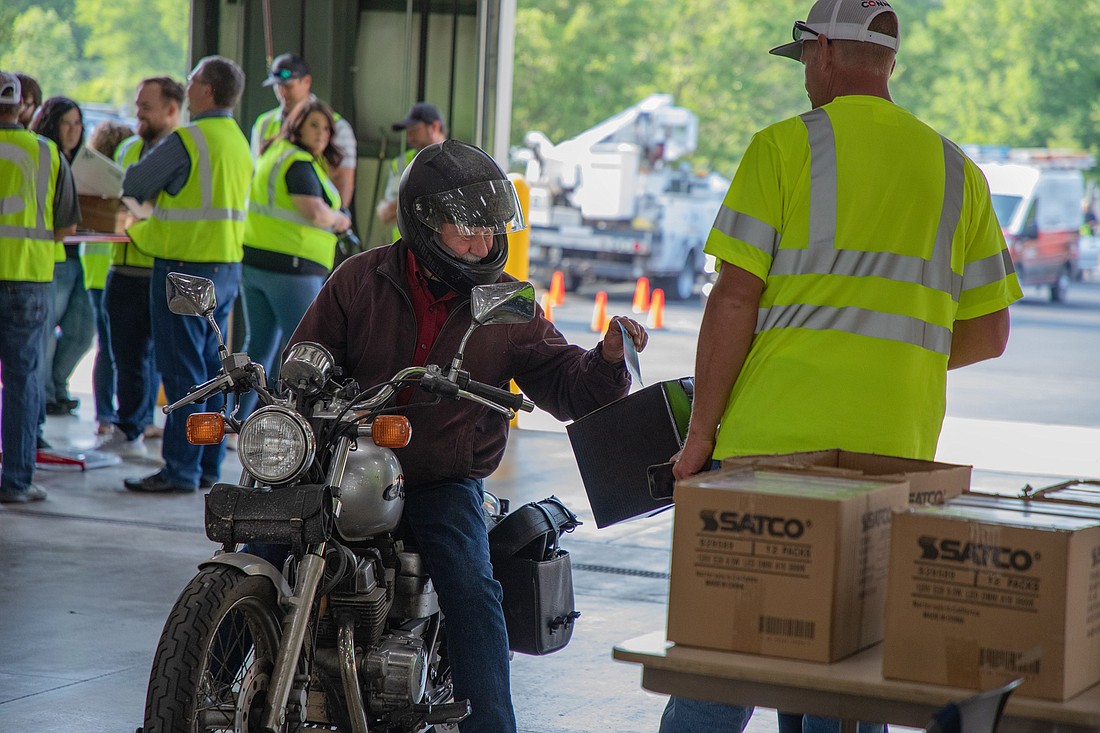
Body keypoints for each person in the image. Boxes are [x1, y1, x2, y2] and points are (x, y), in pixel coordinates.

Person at [659, 1, 1022, 732]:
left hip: (771, 452)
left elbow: (734, 301)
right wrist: (894, 359)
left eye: (802, 64)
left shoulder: (782, 149)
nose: (803, 80)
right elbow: (989, 333)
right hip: (895, 459)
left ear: (824, 50)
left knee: (726, 661)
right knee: (846, 682)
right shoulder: (959, 171)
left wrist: (699, 437)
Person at [285, 139, 648, 732]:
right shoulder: (359, 279)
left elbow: (566, 384)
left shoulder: (508, 302)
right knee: (265, 550)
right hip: (347, 467)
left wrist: (607, 359)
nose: (484, 245)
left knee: (475, 593)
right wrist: (302, 385)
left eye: (490, 230)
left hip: (439, 478)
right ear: (424, 224)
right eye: (468, 232)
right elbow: (304, 359)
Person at [120, 56, 252, 493]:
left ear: (207, 90)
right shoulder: (238, 139)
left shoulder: (191, 139)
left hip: (184, 267)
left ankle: (179, 469)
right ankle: (207, 467)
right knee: (213, 374)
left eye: (193, 80)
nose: (187, 86)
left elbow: (137, 182)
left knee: (182, 374)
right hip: (226, 266)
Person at [237, 98, 351, 419]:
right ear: (297, 124)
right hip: (292, 269)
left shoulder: (273, 153)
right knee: (308, 351)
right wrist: (340, 220)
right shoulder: (299, 163)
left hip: (257, 264)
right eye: (314, 124)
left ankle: (243, 421)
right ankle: (304, 428)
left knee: (258, 347)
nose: (321, 133)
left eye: (327, 128)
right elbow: (313, 212)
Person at [0, 72, 81, 503]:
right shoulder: (47, 153)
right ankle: (15, 481)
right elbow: (66, 225)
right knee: (23, 379)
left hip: (25, 282)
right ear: (20, 108)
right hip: (27, 282)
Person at [96, 76, 183, 458]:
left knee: (166, 360)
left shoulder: (180, 152)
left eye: (146, 107)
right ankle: (129, 425)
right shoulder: (129, 147)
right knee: (125, 356)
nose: (138, 114)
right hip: (123, 268)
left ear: (171, 109)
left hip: (160, 268)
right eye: (137, 106)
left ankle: (159, 430)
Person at [31, 97, 95, 418]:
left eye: (78, 124)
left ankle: (56, 384)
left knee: (83, 328)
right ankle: (45, 394)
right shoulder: (45, 156)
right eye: (66, 123)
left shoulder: (82, 161)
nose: (73, 131)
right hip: (52, 255)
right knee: (46, 331)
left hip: (76, 253)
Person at [82, 120, 135, 436]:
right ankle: (120, 415)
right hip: (114, 266)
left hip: (94, 266)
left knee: (105, 346)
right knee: (125, 350)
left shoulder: (93, 180)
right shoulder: (126, 181)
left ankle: (103, 415)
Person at [250, 53, 357, 206]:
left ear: (306, 82)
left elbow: (343, 180)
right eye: (277, 86)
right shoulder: (264, 123)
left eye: (288, 86)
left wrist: (336, 220)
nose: (282, 92)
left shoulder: (338, 126)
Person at [375, 102, 447, 242]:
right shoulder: (401, 163)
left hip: (444, 250)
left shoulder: (456, 160)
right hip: (406, 249)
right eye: (407, 131)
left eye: (414, 129)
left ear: (434, 127)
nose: (409, 137)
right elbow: (386, 213)